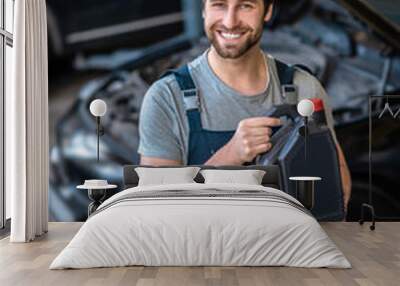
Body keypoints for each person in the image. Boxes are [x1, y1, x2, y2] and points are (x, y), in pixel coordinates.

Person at [138, 0, 351, 211]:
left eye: (245, 6)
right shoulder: (166, 97)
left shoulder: (304, 89)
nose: (230, 22)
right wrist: (229, 157)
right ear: (203, 9)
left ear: (267, 11)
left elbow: (338, 190)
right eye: (219, 5)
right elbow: (155, 209)